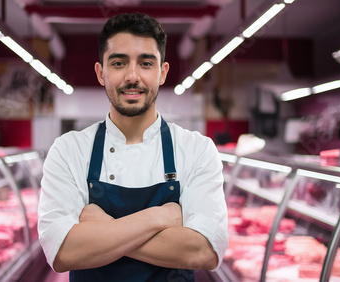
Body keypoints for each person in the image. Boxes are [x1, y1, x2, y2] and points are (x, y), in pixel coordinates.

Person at [38, 12, 229, 282]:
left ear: (162, 73)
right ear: (100, 73)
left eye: (146, 63)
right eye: (118, 63)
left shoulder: (197, 149)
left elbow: (204, 251)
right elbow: (61, 252)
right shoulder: (68, 150)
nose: (132, 76)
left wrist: (102, 229)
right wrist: (162, 217)